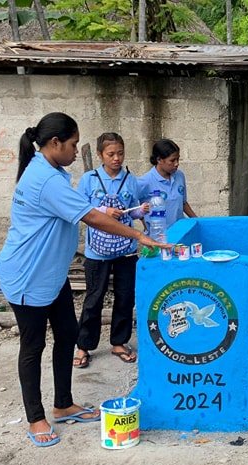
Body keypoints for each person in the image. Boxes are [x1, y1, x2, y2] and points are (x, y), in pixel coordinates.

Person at [0, 113, 167, 448]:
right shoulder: (45, 180)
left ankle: (63, 404)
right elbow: (91, 217)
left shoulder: (53, 172)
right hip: (28, 276)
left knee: (68, 335)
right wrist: (138, 236)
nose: (77, 150)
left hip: (51, 273)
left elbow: (88, 211)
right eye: (73, 144)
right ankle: (36, 418)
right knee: (33, 347)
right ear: (55, 143)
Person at [72, 133, 149, 368]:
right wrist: (104, 210)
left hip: (126, 249)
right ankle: (83, 345)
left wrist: (140, 211)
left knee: (125, 297)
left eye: (120, 153)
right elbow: (79, 208)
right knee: (94, 298)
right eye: (111, 154)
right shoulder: (89, 180)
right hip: (97, 251)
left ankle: (118, 342)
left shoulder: (131, 180)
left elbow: (131, 211)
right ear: (99, 155)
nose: (116, 158)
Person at [138, 139, 196, 229]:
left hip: (179, 232)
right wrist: (145, 223)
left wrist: (196, 220)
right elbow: (133, 206)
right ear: (159, 160)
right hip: (158, 235)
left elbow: (183, 203)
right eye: (172, 160)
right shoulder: (145, 181)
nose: (177, 163)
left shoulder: (180, 176)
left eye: (178, 159)